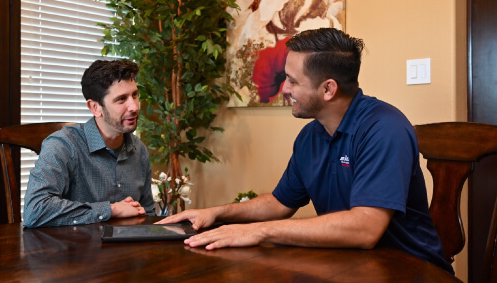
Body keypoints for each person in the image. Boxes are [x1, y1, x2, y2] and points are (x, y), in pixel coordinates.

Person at [158, 28, 454, 274]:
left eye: (293, 81)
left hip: (411, 272)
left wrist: (259, 232)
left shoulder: (384, 128)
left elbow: (365, 229)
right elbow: (278, 203)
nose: (283, 88)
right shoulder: (310, 136)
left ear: (328, 89)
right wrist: (218, 213)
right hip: (350, 267)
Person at [23, 60, 155, 228]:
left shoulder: (139, 151)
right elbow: (35, 211)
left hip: (126, 252)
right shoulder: (63, 146)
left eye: (135, 95)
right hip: (75, 250)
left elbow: (148, 214)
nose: (134, 107)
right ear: (95, 107)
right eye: (121, 99)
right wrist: (111, 210)